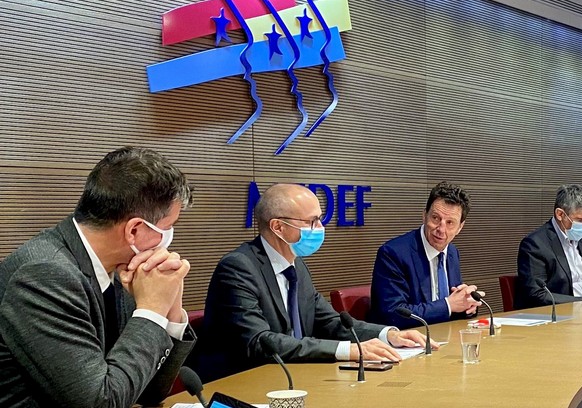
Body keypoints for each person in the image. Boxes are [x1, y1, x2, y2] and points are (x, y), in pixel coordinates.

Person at [0, 147, 196, 408]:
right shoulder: (44, 275)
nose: (168, 239)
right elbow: (100, 403)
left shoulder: (120, 269)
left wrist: (170, 310)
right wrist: (152, 310)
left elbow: (149, 392)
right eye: (167, 228)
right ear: (134, 230)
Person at [200, 183, 436, 381]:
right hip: (244, 382)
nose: (320, 228)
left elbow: (329, 321)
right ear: (278, 227)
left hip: (295, 376)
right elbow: (259, 342)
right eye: (312, 222)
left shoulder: (296, 264)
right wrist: (347, 350)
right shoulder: (238, 268)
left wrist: (388, 335)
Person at [369, 182, 481, 329]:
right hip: (405, 338)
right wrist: (448, 305)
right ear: (424, 215)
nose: (441, 229)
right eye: (435, 218)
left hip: (443, 336)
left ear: (460, 227)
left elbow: (452, 308)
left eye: (450, 223)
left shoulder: (452, 252)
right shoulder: (393, 254)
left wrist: (467, 305)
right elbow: (393, 314)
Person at [516, 184, 582, 309]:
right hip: (559, 315)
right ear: (560, 214)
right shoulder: (535, 244)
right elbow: (536, 294)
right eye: (580, 220)